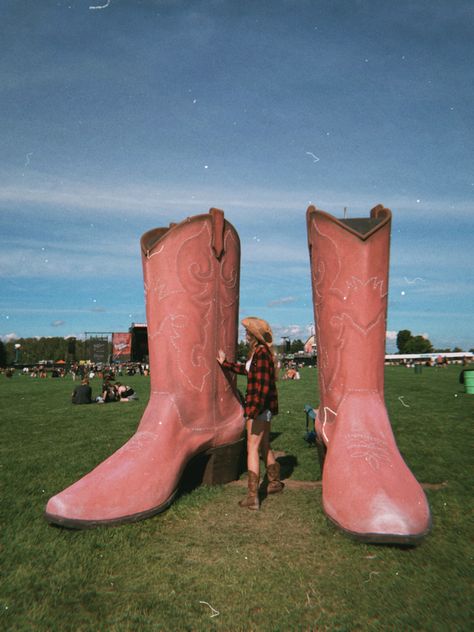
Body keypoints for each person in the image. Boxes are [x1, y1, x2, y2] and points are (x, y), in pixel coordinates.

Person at [217, 316, 283, 510]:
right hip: (264, 408)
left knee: (251, 447)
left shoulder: (261, 354)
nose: (245, 334)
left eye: (247, 332)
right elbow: (246, 371)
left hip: (259, 408)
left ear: (254, 336)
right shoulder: (258, 354)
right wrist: (225, 363)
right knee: (264, 444)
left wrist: (252, 411)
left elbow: (261, 387)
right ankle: (274, 483)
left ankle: (252, 497)